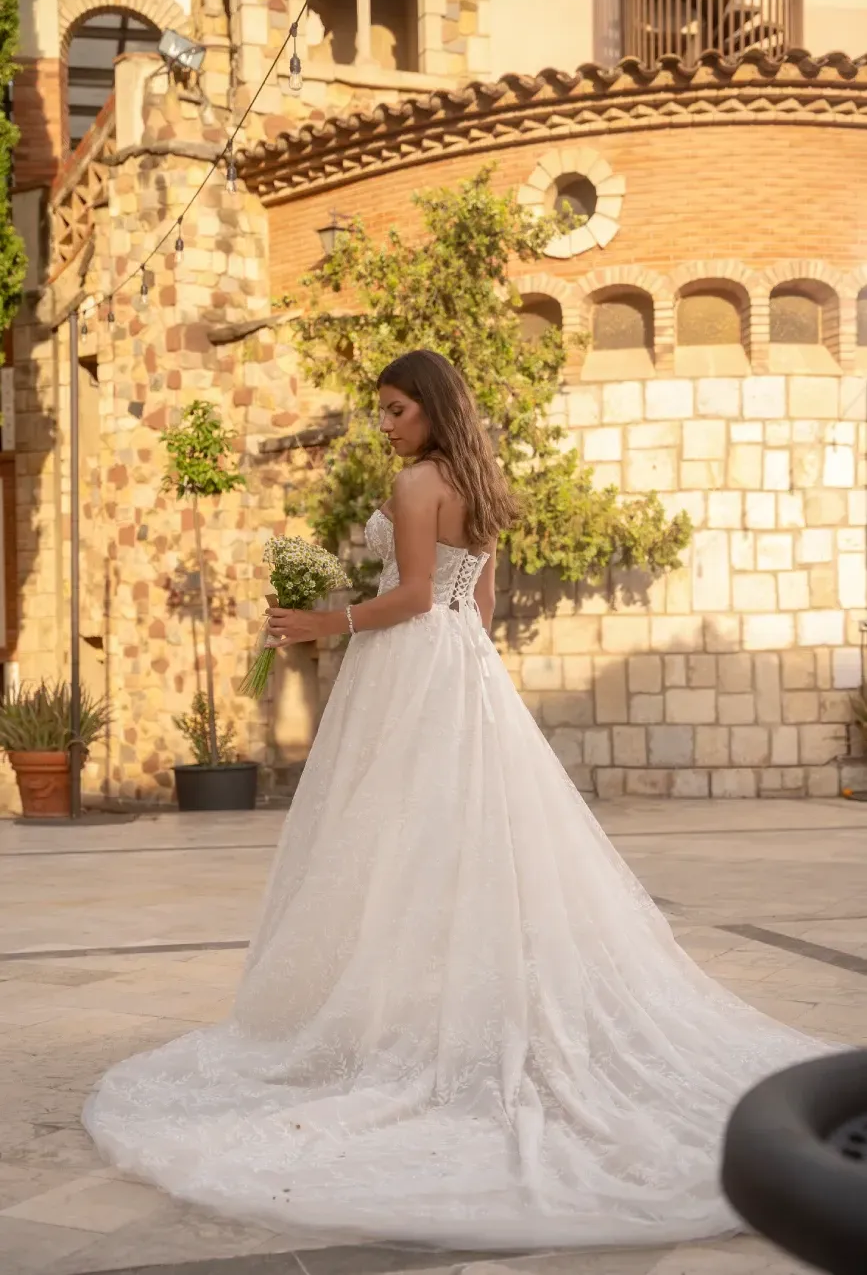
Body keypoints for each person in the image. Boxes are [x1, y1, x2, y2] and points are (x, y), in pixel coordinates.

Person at [84, 349, 833, 1251]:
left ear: (431, 407)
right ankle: (443, 1009)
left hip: (409, 667)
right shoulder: (476, 480)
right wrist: (461, 677)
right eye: (384, 412)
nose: (387, 426)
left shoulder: (412, 488)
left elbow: (406, 596)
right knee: (461, 839)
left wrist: (327, 623)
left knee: (393, 839)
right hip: (465, 672)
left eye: (396, 410)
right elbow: (475, 609)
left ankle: (405, 1022)